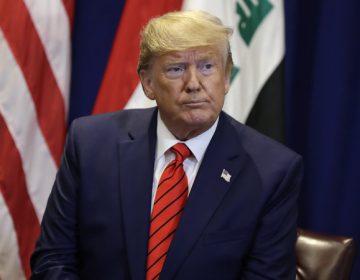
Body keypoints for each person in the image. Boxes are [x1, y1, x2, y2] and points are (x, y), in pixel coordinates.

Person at [31, 10, 303, 280]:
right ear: (148, 83)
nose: (194, 84)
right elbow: (53, 260)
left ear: (227, 76)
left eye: (208, 66)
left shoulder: (272, 171)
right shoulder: (90, 144)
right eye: (176, 69)